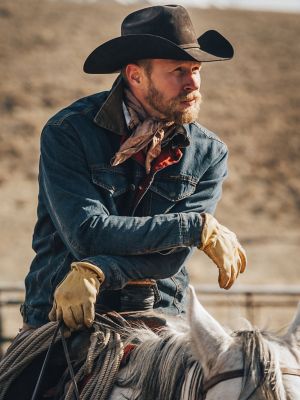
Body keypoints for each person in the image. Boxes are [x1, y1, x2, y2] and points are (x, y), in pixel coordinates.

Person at [21, 4, 246, 333]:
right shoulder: (69, 132)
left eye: (196, 69)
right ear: (136, 75)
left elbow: (171, 258)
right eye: (178, 71)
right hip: (65, 315)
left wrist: (98, 270)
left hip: (162, 317)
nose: (192, 83)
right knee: (19, 386)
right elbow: (87, 234)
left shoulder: (209, 152)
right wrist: (194, 228)